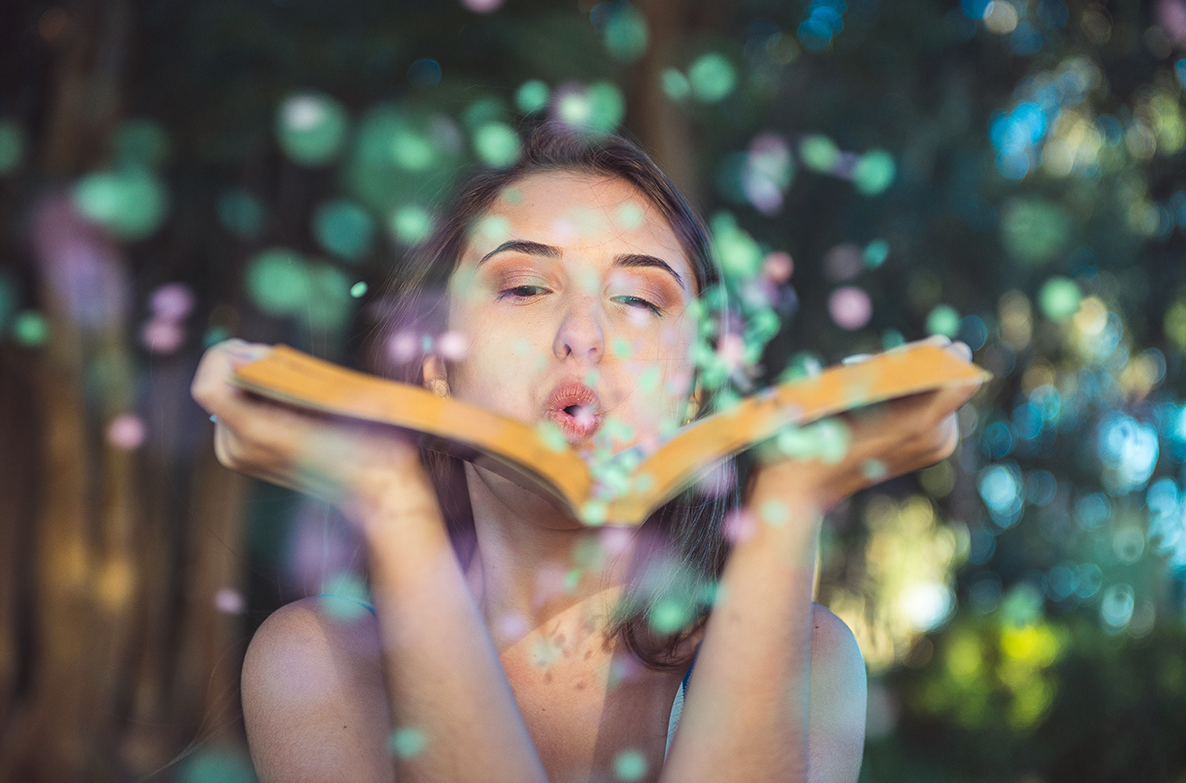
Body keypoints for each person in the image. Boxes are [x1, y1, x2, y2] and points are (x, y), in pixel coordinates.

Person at [191, 122, 980, 783]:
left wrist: (794, 500)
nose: (583, 334)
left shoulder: (803, 653)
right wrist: (387, 496)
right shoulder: (320, 663)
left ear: (696, 389)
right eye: (525, 287)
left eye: (637, 299)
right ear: (436, 367)